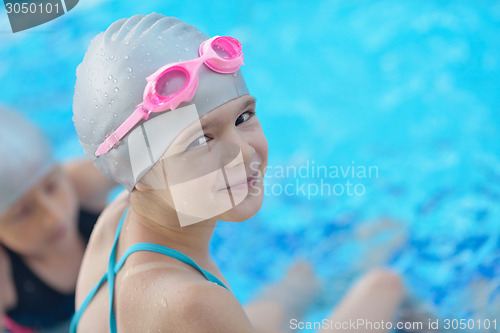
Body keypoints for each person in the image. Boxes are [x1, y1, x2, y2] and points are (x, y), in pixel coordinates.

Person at [70, 13, 404, 332]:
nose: (243, 152)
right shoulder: (193, 303)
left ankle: (312, 282)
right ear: (140, 173)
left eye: (243, 117)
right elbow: (195, 312)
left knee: (300, 280)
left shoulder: (116, 220)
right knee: (385, 286)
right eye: (200, 139)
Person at [0, 107, 117, 332]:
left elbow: (163, 153)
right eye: (21, 212)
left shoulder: (81, 183)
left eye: (52, 187)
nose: (53, 216)